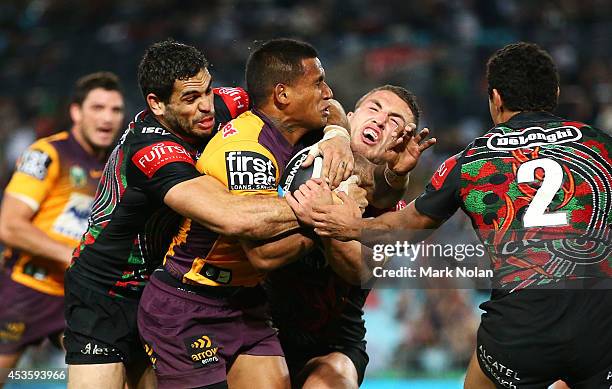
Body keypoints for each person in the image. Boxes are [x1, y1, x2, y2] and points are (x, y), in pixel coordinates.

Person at [292, 42, 612, 388]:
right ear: (557, 93)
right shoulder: (601, 146)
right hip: (601, 326)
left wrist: (348, 225)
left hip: (519, 331)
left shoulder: (472, 159)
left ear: (495, 98)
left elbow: (401, 230)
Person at [64, 39, 353, 389]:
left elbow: (314, 100)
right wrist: (323, 205)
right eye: (190, 99)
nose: (206, 108)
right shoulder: (152, 150)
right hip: (106, 290)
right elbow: (233, 217)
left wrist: (335, 134)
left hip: (165, 284)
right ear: (156, 104)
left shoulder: (224, 102)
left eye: (206, 90)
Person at [269, 84, 435, 389]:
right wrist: (336, 133)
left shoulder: (392, 215)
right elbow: (324, 100)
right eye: (374, 109)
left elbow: (361, 270)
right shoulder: (302, 151)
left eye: (395, 122)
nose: (381, 121)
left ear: (400, 142)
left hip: (333, 345)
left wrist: (325, 218)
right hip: (259, 327)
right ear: (350, 117)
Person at [0, 72, 124, 379]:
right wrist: (74, 256)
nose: (107, 118)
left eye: (115, 110)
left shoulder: (120, 166)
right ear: (75, 112)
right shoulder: (47, 154)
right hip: (27, 288)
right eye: (97, 108)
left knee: (117, 375)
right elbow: (9, 226)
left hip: (80, 296)